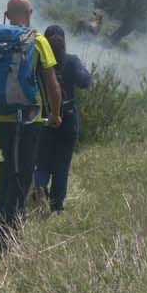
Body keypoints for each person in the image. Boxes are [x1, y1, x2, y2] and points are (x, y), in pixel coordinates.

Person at [0, 0, 62, 252]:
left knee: (9, 165)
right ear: (29, 13)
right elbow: (52, 83)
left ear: (7, 15)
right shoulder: (38, 40)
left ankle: (0, 216)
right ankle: (10, 225)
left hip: (1, 117)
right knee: (23, 170)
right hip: (30, 117)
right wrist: (55, 113)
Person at [33, 24, 91, 212]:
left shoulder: (38, 62)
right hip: (68, 119)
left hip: (44, 118)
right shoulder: (71, 61)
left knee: (41, 161)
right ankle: (56, 206)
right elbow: (85, 81)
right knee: (62, 164)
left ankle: (40, 188)